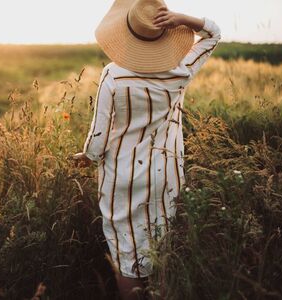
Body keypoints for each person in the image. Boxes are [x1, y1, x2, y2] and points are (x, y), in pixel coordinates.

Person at [72, 0, 221, 299]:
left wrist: (88, 156)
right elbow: (213, 34)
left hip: (122, 177)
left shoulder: (113, 74)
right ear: (165, 33)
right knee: (160, 241)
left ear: (125, 32)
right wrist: (182, 19)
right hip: (166, 173)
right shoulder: (181, 71)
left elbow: (99, 132)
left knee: (128, 251)